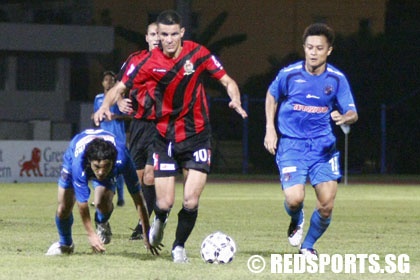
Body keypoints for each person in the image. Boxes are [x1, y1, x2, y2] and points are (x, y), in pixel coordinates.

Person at [94, 10, 248, 263]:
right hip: (164, 137)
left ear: (182, 33)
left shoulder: (197, 53)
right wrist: (104, 107)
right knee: (164, 203)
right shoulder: (147, 62)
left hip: (197, 135)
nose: (168, 39)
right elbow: (120, 88)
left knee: (191, 200)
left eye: (173, 34)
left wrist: (235, 98)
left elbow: (227, 80)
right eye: (163, 34)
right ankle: (161, 219)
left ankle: (178, 246)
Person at [264, 23, 358, 258]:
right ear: (304, 48)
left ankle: (307, 246)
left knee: (326, 205)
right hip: (292, 144)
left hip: (322, 147)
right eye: (309, 47)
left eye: (319, 48)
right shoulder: (290, 74)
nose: (313, 52)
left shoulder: (336, 79)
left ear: (329, 51)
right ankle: (297, 217)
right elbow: (271, 95)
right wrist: (270, 129)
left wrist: (344, 116)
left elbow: (352, 113)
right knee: (295, 199)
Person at [45, 129, 160, 256]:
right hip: (73, 155)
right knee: (63, 208)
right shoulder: (79, 163)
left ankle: (102, 222)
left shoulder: (123, 159)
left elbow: (138, 199)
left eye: (106, 166)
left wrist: (146, 231)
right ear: (90, 161)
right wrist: (91, 235)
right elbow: (82, 204)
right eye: (97, 167)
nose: (101, 172)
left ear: (113, 161)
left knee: (102, 203)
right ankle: (66, 244)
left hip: (105, 160)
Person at [113, 22, 160, 240]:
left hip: (160, 125)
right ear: (147, 37)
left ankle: (145, 227)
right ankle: (148, 219)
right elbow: (119, 84)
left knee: (150, 177)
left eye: (160, 34)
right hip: (139, 125)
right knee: (138, 180)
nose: (157, 38)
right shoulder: (135, 59)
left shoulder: (171, 62)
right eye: (153, 34)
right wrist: (121, 101)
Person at [93, 70, 128, 207]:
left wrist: (116, 116)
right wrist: (96, 117)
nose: (108, 82)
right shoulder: (98, 98)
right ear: (102, 83)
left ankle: (121, 197)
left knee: (118, 167)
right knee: (101, 167)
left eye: (111, 80)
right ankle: (100, 195)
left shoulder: (120, 97)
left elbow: (130, 115)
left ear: (115, 82)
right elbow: (96, 114)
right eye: (106, 79)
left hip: (118, 137)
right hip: (103, 137)